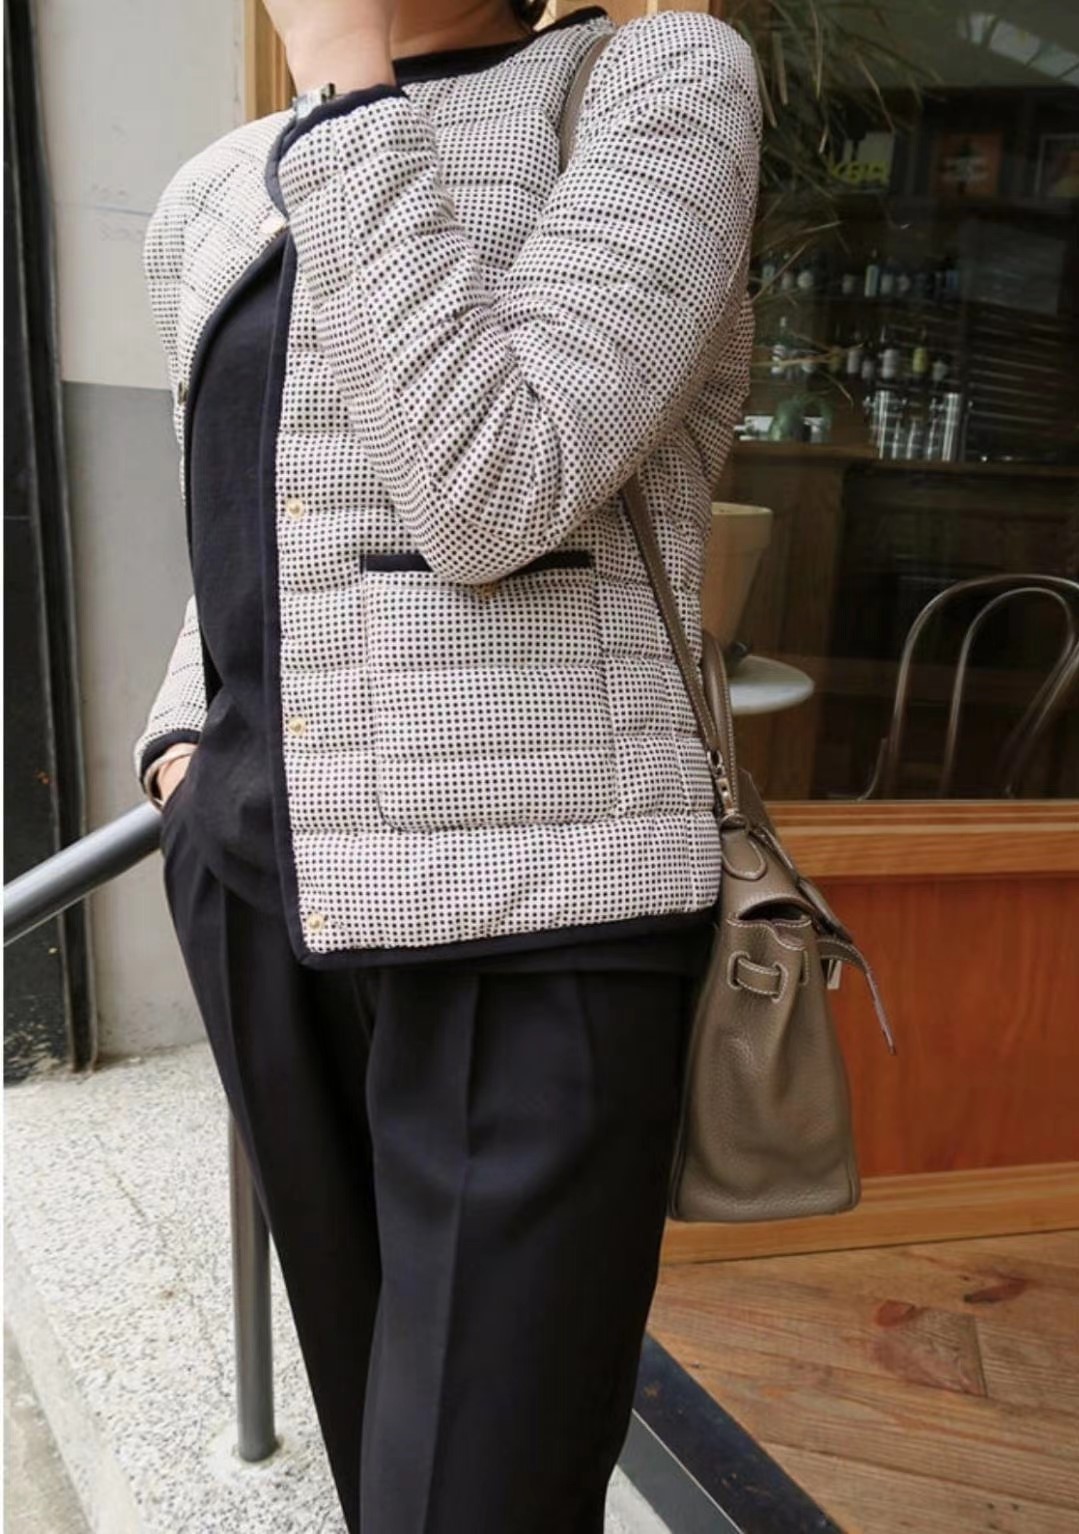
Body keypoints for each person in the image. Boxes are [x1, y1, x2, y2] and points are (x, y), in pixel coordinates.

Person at [134, 1, 760, 1529]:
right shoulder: (219, 182)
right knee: (383, 1463)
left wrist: (350, 99)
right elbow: (254, 505)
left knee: (475, 1495)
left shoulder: (654, 86)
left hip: (539, 930)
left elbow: (496, 487)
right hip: (265, 896)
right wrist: (177, 747)